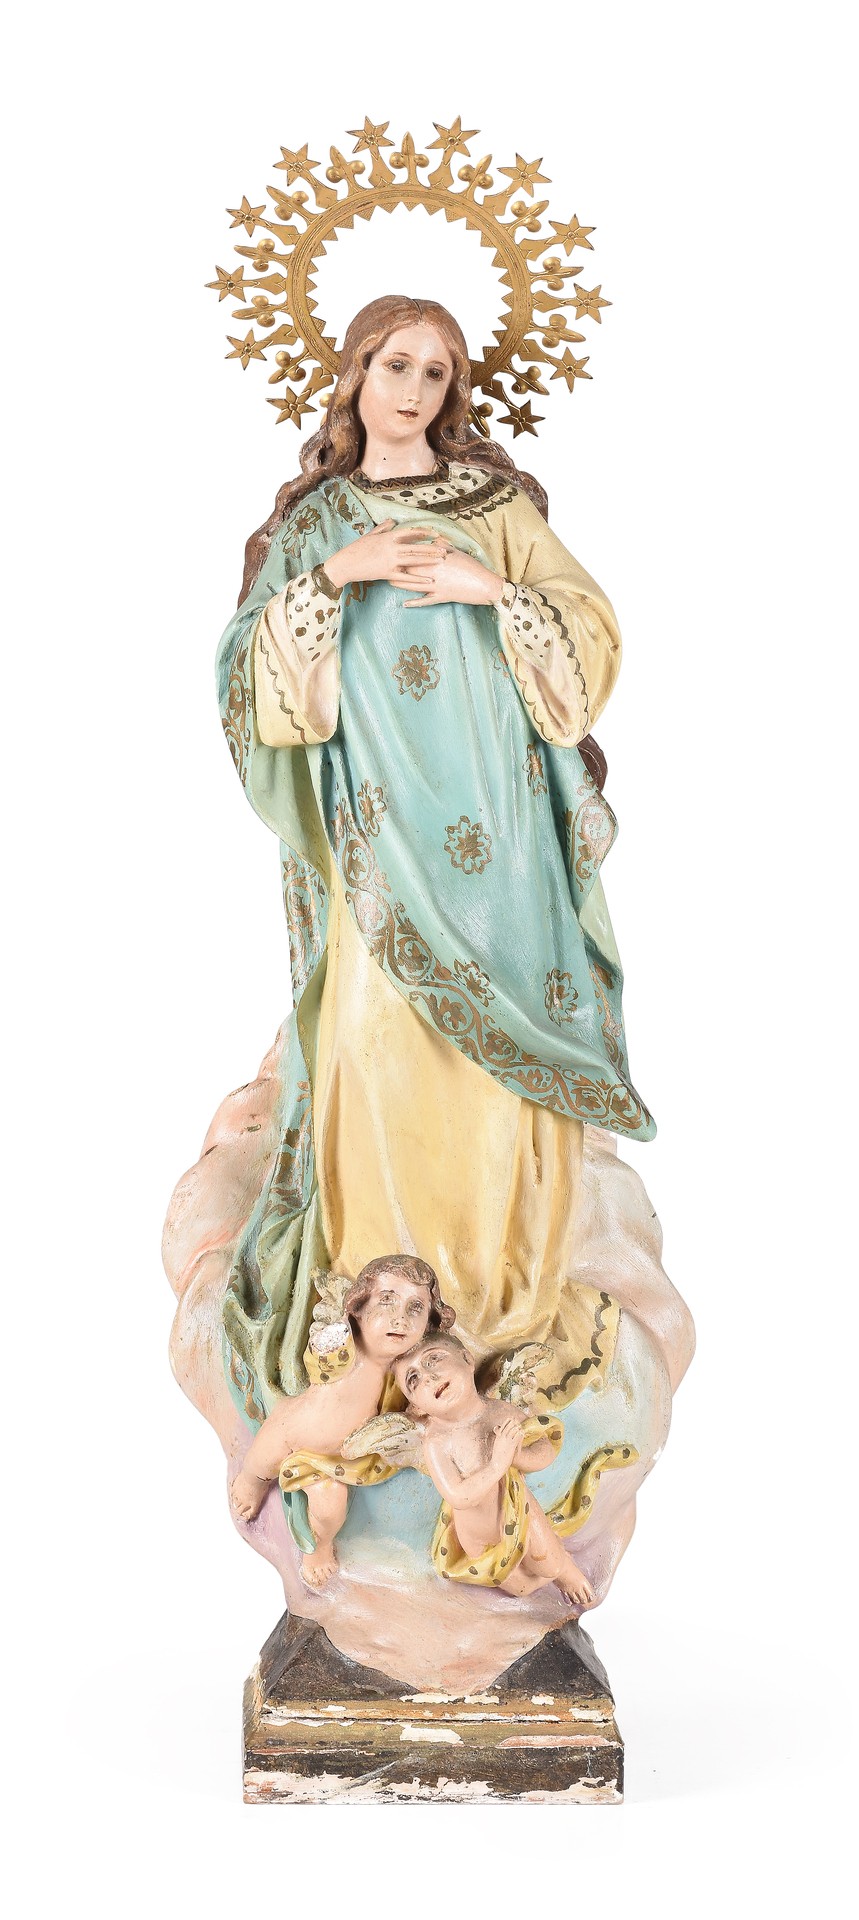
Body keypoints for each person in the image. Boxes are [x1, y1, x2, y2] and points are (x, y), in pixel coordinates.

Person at [217, 292, 655, 1448]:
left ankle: (498, 1315)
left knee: (493, 1084)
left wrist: (492, 590)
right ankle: (381, 1306)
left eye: (435, 372)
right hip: (377, 845)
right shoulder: (316, 522)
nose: (412, 390)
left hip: (496, 839)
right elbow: (247, 677)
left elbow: (590, 632)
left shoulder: (494, 511)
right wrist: (335, 574)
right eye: (394, 364)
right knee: (377, 1051)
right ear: (354, 376)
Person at [229, 1253, 442, 1587]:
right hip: (294, 1433)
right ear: (357, 1308)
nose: (400, 1318)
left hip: (336, 1462)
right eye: (387, 1301)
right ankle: (251, 1481)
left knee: (330, 1511)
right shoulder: (346, 1349)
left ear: (429, 1322)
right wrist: (332, 1336)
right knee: (264, 1456)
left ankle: (319, 1548)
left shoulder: (405, 1367)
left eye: (416, 1308)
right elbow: (322, 1361)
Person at [393, 1334, 593, 1603]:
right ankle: (548, 1571)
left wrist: (518, 1456)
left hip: (518, 1509)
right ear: (416, 1406)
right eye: (413, 1379)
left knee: (549, 1563)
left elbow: (544, 1449)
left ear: (467, 1359)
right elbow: (457, 1496)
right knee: (520, 1588)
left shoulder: (500, 1412)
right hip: (475, 1535)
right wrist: (498, 1463)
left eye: (434, 1359)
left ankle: (565, 1569)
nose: (428, 1377)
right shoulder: (437, 1442)